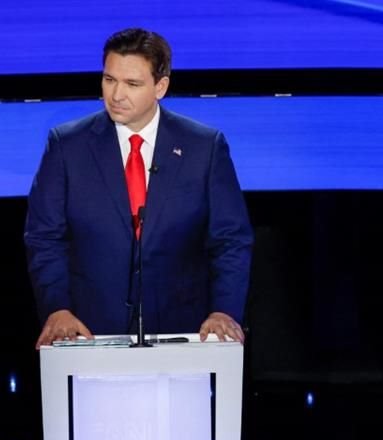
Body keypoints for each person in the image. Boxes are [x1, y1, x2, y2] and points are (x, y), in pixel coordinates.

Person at [25, 28, 253, 349]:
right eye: (109, 80)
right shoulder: (66, 146)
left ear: (160, 86)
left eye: (132, 84)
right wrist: (57, 308)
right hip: (89, 333)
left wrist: (224, 310)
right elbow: (44, 236)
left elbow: (231, 240)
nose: (116, 95)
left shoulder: (204, 147)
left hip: (183, 333)